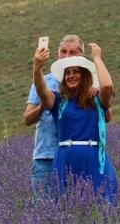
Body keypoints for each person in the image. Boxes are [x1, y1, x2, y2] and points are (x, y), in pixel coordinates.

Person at [24, 35, 111, 198]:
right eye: (63, 52)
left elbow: (107, 115)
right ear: (57, 55)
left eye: (73, 52)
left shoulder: (93, 86)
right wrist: (44, 104)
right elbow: (27, 118)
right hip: (46, 155)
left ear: (81, 57)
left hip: (81, 155)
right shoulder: (44, 82)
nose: (67, 56)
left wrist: (97, 89)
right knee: (47, 211)